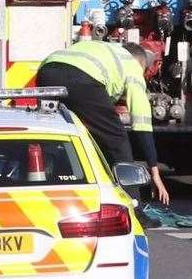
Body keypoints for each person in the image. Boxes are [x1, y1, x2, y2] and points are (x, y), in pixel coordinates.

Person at [37, 40, 170, 207]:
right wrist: (154, 172)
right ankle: (134, 209)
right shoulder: (133, 65)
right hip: (81, 78)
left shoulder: (107, 51)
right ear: (141, 63)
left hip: (46, 71)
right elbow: (142, 123)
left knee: (59, 139)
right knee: (116, 140)